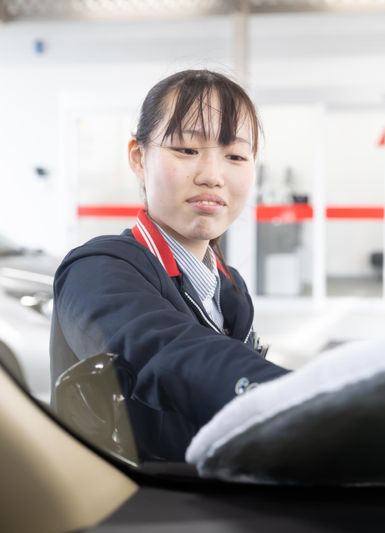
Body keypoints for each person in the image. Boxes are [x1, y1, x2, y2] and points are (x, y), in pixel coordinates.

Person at [50, 69, 290, 462]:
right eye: (186, 150)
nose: (212, 176)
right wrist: (305, 397)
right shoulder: (96, 271)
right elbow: (168, 353)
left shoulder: (230, 288)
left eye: (235, 156)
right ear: (138, 157)